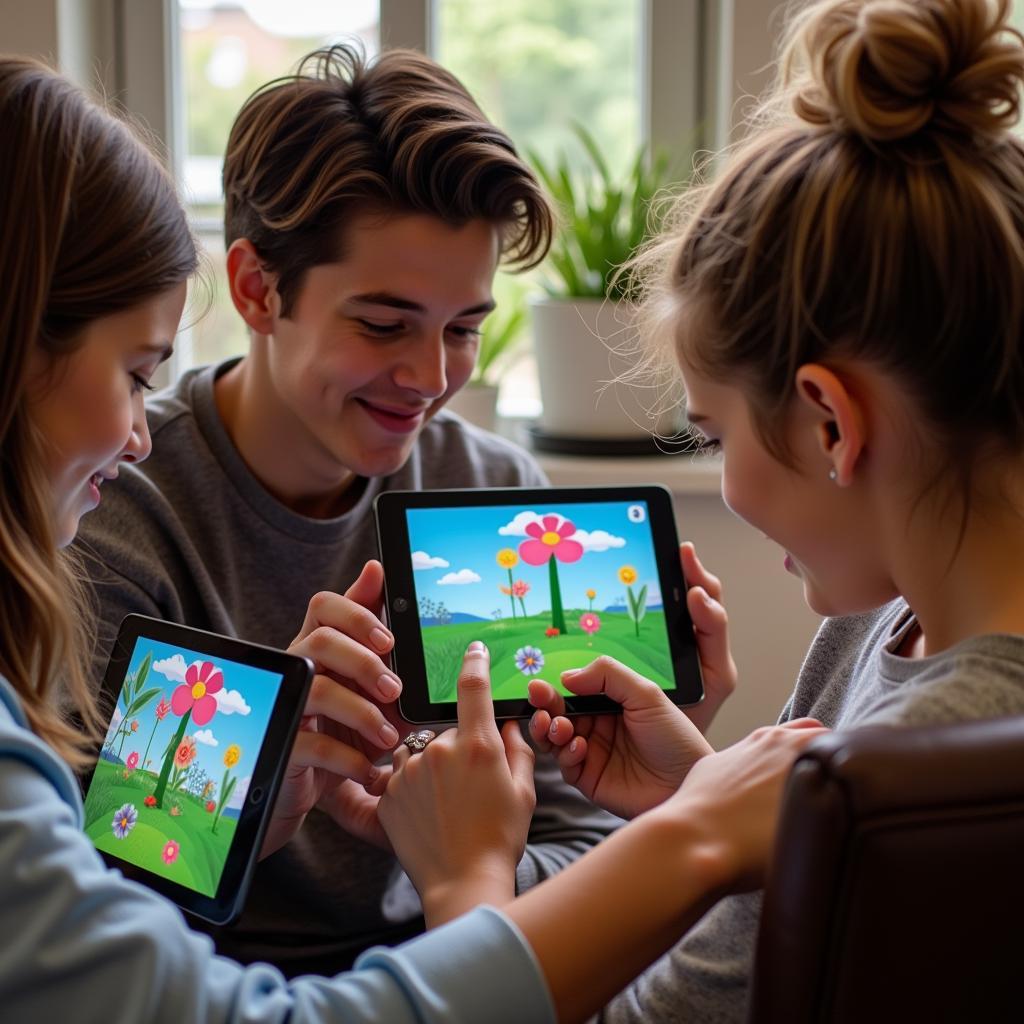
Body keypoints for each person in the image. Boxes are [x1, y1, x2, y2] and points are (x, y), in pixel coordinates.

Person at [0, 50, 832, 1023]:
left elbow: (579, 842)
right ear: (257, 290)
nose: (429, 373)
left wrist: (468, 850)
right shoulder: (101, 510)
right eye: (386, 324)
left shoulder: (491, 492)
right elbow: (76, 928)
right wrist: (244, 807)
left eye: (466, 328)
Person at [507, 0, 1024, 1018]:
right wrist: (699, 804)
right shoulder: (885, 627)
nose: (725, 481)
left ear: (829, 421)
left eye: (713, 435)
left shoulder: (892, 777)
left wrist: (466, 874)